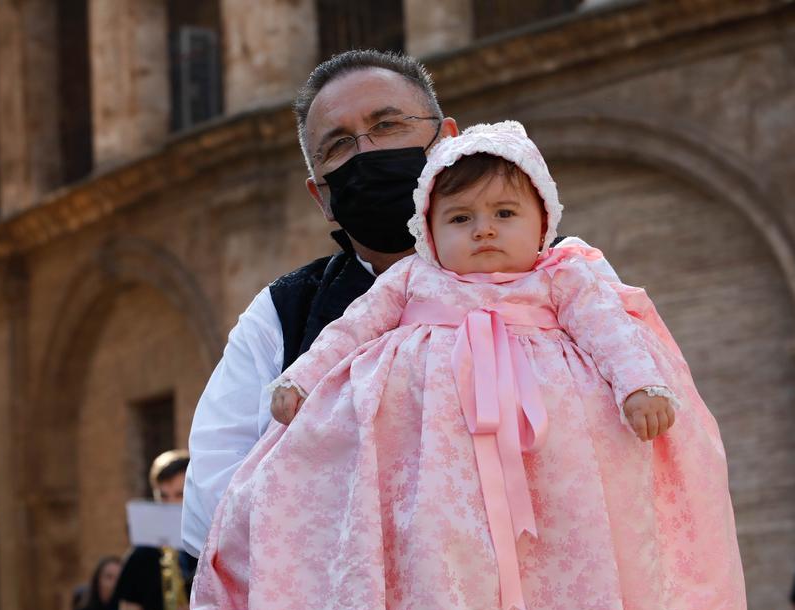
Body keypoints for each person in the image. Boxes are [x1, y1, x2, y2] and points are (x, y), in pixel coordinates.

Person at [191, 121, 746, 610]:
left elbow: (611, 333)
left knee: (565, 571)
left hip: (553, 476)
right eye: (460, 219)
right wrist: (301, 379)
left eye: (505, 214)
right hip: (437, 481)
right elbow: (352, 328)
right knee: (439, 574)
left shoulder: (567, 280)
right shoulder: (414, 278)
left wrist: (639, 386)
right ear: (429, 231)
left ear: (543, 223)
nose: (484, 230)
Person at [181, 50, 614, 564]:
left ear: (448, 141)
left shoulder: (566, 277)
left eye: (387, 125)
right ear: (321, 197)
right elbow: (211, 509)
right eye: (338, 144)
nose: (366, 152)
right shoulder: (283, 313)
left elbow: (639, 422)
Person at [114, 451, 244, 610]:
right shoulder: (142, 556)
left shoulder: (228, 543)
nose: (172, 504)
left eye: (179, 494)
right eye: (163, 496)